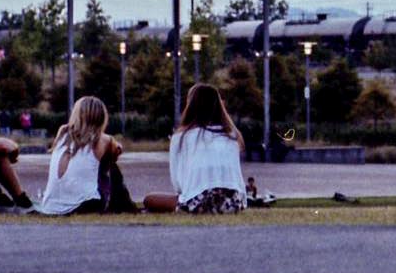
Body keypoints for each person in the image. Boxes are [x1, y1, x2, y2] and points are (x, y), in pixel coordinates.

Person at [143, 83, 248, 214]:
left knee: (149, 199)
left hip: (199, 203)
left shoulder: (182, 136)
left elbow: (177, 183)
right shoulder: (231, 136)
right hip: (234, 203)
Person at [38, 96, 134, 216]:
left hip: (49, 207)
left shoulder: (63, 132)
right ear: (101, 117)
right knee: (111, 166)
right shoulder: (104, 140)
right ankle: (124, 205)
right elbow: (116, 153)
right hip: (84, 205)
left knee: (95, 165)